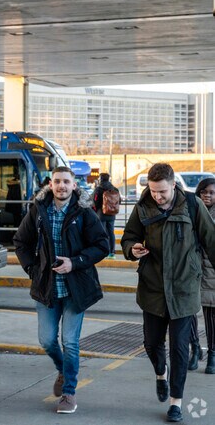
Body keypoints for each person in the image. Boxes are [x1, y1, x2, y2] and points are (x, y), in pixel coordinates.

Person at [121, 163, 215, 422]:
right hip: (152, 289)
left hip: (184, 289)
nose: (157, 196)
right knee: (152, 344)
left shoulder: (193, 206)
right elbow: (128, 238)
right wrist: (133, 249)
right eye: (153, 191)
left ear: (173, 185)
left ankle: (176, 402)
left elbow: (211, 240)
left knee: (180, 350)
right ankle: (160, 373)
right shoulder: (142, 208)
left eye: (162, 191)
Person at [14, 166, 109, 414]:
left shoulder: (84, 212)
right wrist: (33, 271)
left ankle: (69, 392)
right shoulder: (38, 210)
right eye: (57, 181)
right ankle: (63, 368)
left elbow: (102, 245)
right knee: (46, 340)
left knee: (70, 341)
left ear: (74, 185)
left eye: (66, 181)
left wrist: (74, 262)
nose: (61, 186)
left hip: (76, 288)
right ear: (51, 184)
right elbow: (20, 243)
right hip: (47, 287)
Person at [195, 177, 215, 374]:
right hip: (192, 271)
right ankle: (194, 350)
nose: (207, 195)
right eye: (204, 191)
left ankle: (212, 355)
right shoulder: (191, 210)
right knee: (188, 315)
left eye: (211, 192)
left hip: (211, 272)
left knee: (211, 318)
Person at [92, 173, 118, 259]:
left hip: (101, 214)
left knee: (102, 233)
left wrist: (95, 211)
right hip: (111, 214)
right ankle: (112, 252)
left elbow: (95, 202)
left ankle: (104, 251)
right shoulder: (115, 189)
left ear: (100, 179)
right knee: (111, 233)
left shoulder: (98, 189)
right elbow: (118, 201)